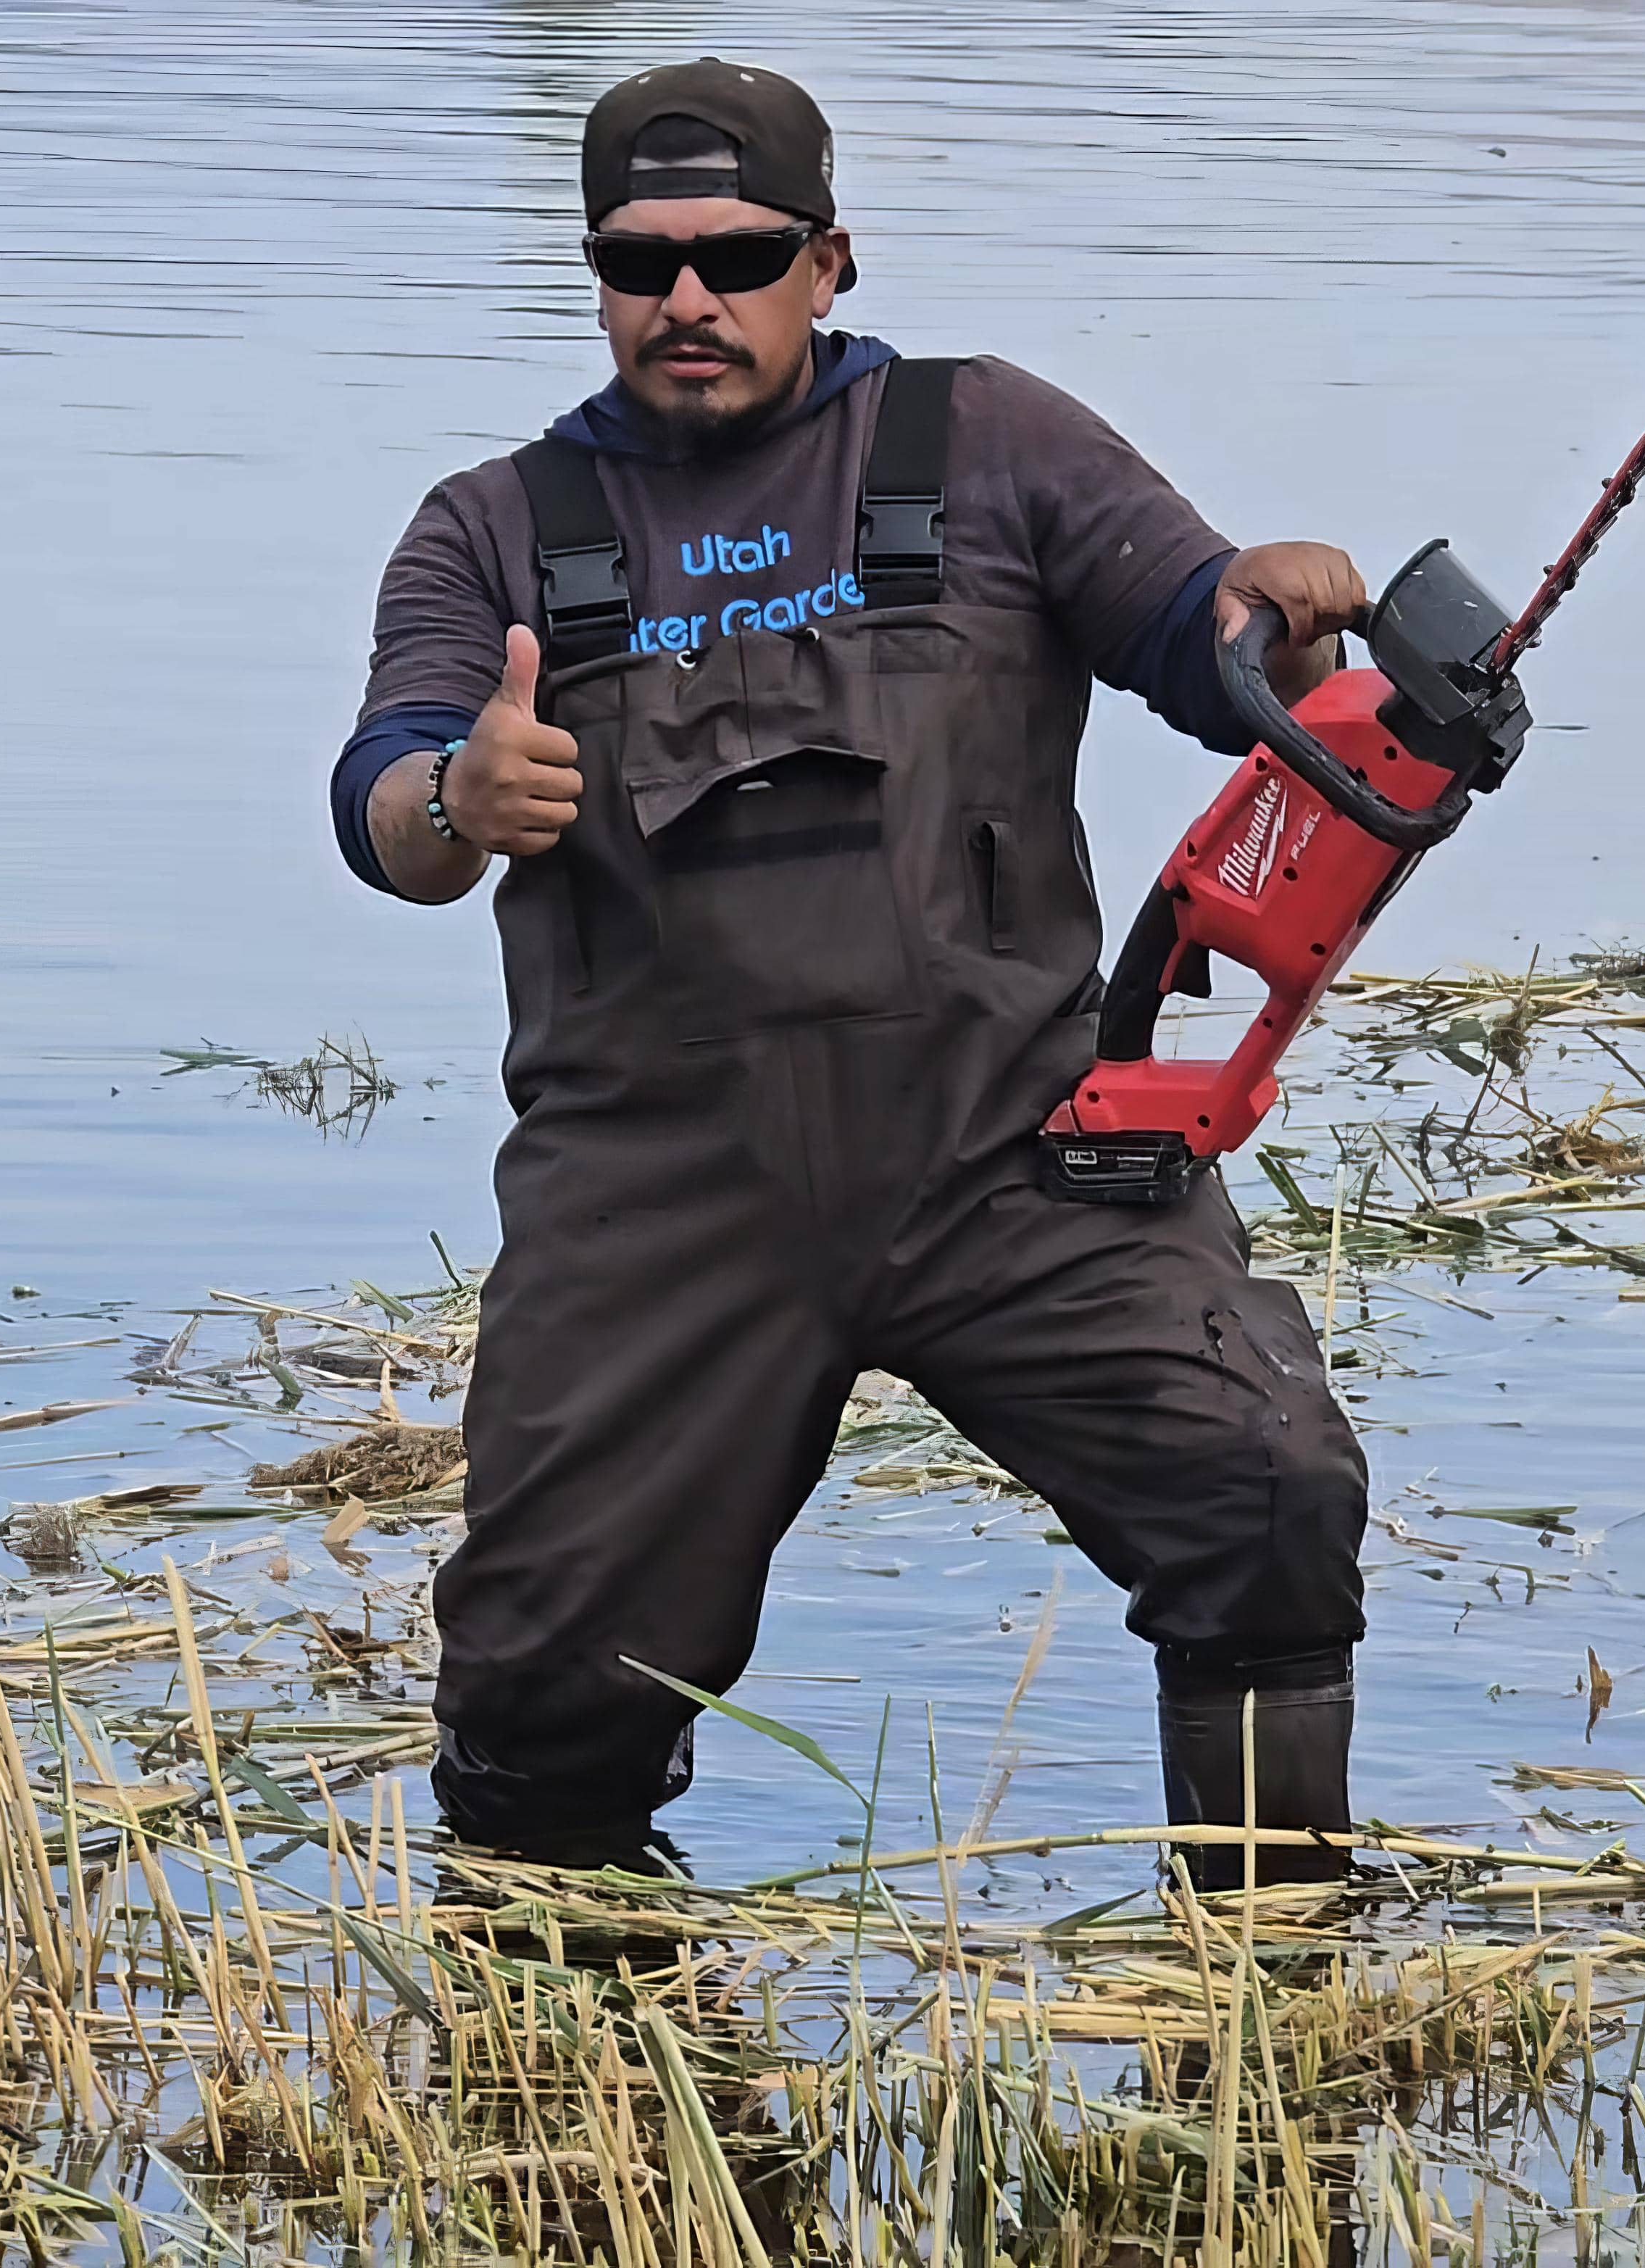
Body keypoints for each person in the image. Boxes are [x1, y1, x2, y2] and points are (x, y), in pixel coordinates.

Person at [332, 57, 1372, 1887]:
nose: (687, 302)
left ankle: (1267, 1978)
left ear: (828, 259)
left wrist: (1267, 624)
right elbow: (385, 804)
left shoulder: (993, 442)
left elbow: (1195, 630)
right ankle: (563, 2060)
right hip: (658, 1196)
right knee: (546, 1682)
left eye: (736, 256)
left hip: (1011, 1158)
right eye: (638, 263)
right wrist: (456, 793)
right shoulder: (492, 527)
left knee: (1263, 1489)